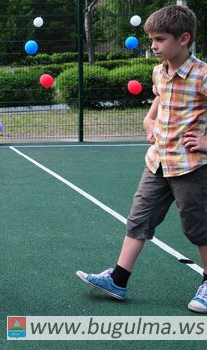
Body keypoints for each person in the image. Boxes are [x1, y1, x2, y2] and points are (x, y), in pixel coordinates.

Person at [76, 5, 207, 313]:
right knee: (138, 219)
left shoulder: (202, 75)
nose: (153, 45)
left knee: (198, 227)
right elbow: (161, 101)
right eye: (150, 39)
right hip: (157, 162)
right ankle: (118, 280)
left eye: (160, 39)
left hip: (190, 167)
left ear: (184, 38)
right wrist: (150, 122)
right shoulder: (159, 72)